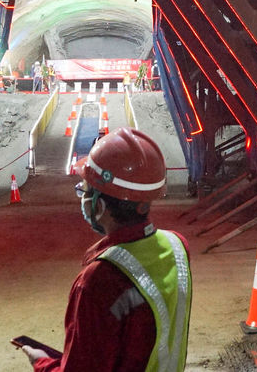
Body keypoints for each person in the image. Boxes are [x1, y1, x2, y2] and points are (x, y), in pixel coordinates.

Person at [20, 128, 191, 372]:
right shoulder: (178, 247)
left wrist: (42, 362)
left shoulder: (98, 281)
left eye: (85, 191)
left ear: (99, 206)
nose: (83, 197)